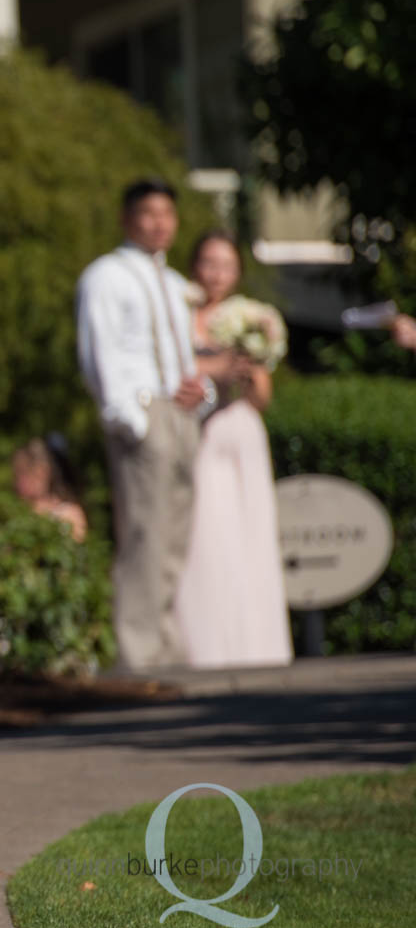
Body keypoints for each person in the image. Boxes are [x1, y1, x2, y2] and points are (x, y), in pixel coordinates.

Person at [76, 178, 214, 671]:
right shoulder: (107, 276)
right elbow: (102, 350)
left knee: (175, 533)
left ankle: (165, 641)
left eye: (167, 215)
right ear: (128, 218)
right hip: (143, 411)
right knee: (143, 532)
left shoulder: (176, 285)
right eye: (149, 214)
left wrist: (202, 396)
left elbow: (189, 357)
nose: (160, 224)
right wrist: (127, 418)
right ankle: (137, 648)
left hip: (179, 413)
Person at [174, 231, 292, 668]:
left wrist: (248, 367)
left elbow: (262, 397)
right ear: (194, 266)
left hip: (239, 429)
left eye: (225, 265)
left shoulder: (251, 317)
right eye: (208, 263)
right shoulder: (177, 314)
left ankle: (253, 644)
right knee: (203, 533)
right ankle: (200, 646)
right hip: (197, 430)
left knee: (246, 534)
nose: (216, 274)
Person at [11, 434, 89, 543]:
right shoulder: (13, 513)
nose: (17, 482)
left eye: (21, 474)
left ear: (41, 473)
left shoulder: (68, 514)